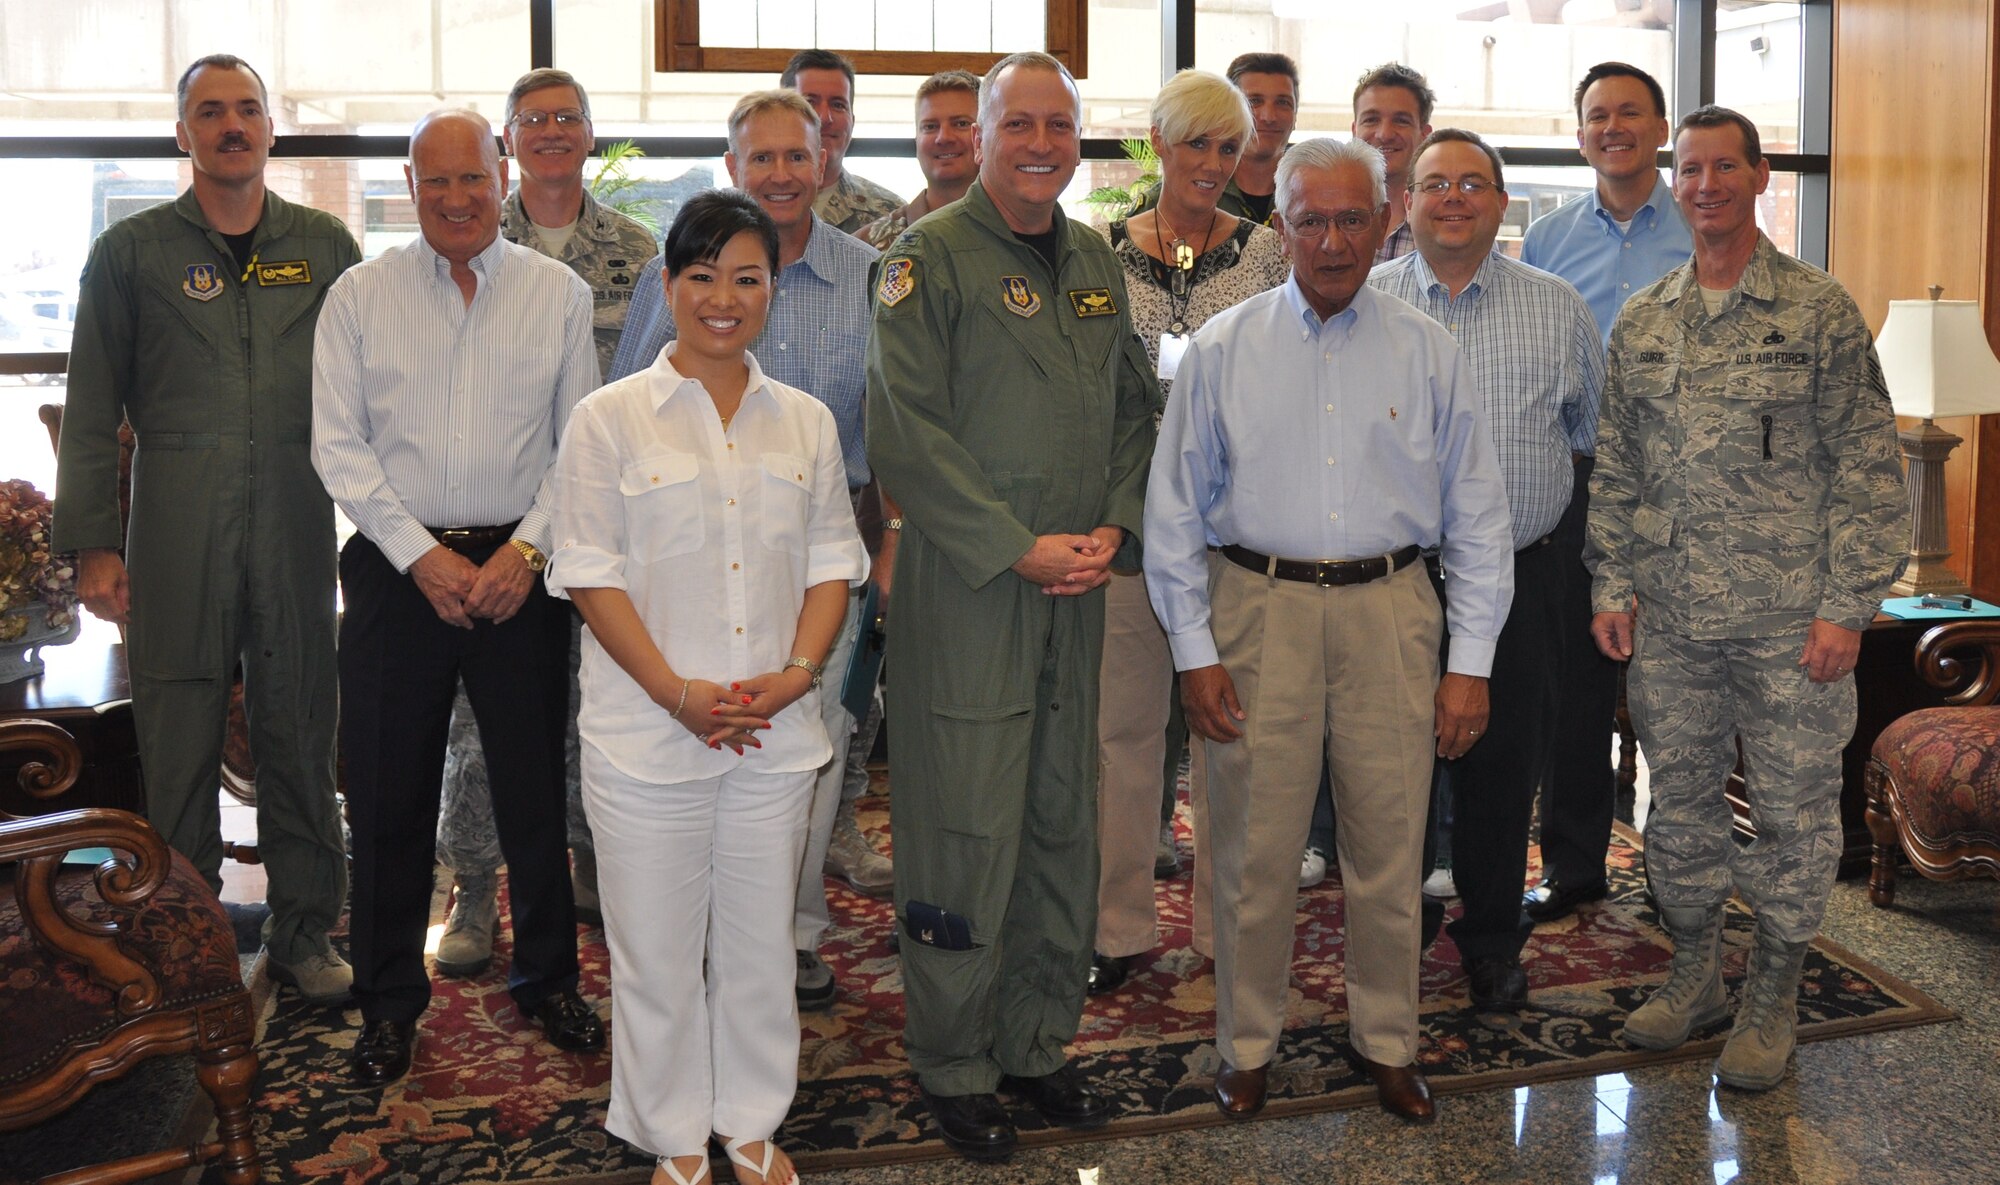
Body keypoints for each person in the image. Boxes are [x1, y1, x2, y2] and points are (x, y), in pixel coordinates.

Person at [1145, 136, 1513, 1124]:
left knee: (1388, 849)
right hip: (1255, 610)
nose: (1333, 238)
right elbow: (1172, 515)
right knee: (1254, 851)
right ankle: (1246, 1045)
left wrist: (1467, 664)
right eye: (1310, 218)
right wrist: (1194, 654)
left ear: (1385, 219)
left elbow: (1477, 513)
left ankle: (1386, 1044)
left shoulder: (1424, 348)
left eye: (1353, 217)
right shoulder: (1223, 348)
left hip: (1391, 612)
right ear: (1280, 228)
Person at [865, 51, 1158, 1162]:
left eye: (1059, 125)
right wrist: (1014, 547)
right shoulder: (922, 262)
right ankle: (952, 1063)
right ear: (978, 135)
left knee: (1054, 819)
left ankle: (1034, 1046)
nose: (1041, 143)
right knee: (961, 828)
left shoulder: (1092, 259)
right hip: (973, 589)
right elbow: (904, 431)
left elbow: (1136, 413)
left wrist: (1113, 531)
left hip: (1075, 588)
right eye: (1018, 124)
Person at [548, 188, 865, 1185]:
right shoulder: (607, 420)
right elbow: (588, 574)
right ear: (668, 284)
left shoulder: (804, 423)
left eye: (747, 277)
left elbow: (831, 565)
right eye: (701, 276)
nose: (723, 298)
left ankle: (751, 1120)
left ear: (773, 289)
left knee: (759, 941)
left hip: (775, 729)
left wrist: (795, 677)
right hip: (648, 736)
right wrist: (675, 693)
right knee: (653, 948)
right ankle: (673, 1132)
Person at [1587, 106, 1906, 1091]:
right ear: (1671, 183)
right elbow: (1616, 468)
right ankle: (1693, 976)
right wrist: (1609, 580)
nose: (1706, 184)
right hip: (1672, 624)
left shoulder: (1817, 312)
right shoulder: (1643, 320)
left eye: (1725, 166)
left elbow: (1866, 468)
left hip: (1787, 626)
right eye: (1690, 169)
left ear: (1759, 177)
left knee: (1792, 819)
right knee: (1675, 811)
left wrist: (1843, 606)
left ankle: (1770, 994)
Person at [312, 108, 605, 1088]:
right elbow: (338, 448)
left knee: (533, 792)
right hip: (399, 572)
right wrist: (420, 558)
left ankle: (547, 978)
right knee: (390, 798)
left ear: (502, 170)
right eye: (433, 181)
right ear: (409, 183)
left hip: (522, 566)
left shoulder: (556, 294)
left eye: (471, 178)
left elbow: (580, 447)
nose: (454, 198)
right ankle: (391, 999)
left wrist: (526, 551)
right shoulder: (359, 296)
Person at [55, 53, 356, 1000]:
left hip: (298, 516)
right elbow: (94, 399)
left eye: (248, 110)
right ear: (181, 134)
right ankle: (186, 942)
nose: (232, 126)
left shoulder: (327, 245)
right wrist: (96, 542)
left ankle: (307, 930)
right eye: (210, 112)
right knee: (177, 735)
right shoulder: (132, 252)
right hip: (175, 520)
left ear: (271, 130)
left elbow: (372, 388)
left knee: (300, 721)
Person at [611, 89, 888, 1008]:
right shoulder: (682, 268)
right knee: (696, 739)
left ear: (825, 162)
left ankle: (788, 935)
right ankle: (692, 938)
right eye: (758, 157)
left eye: (794, 155)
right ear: (733, 167)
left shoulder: (869, 275)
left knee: (810, 746)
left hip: (824, 554)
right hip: (687, 549)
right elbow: (626, 402)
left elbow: (893, 422)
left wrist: (891, 543)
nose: (778, 172)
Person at [431, 66, 662, 979]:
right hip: (503, 517)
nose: (553, 131)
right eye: (534, 120)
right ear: (506, 142)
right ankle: (474, 887)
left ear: (590, 134)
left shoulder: (639, 249)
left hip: (608, 518)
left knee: (592, 701)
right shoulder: (473, 236)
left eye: (569, 117)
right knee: (476, 720)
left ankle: (584, 860)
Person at [1370, 129, 1604, 1010]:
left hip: (1521, 575)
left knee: (1506, 766)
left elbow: (1591, 440)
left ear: (1504, 204)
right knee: (1388, 767)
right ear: (1408, 203)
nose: (1454, 198)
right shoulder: (1369, 302)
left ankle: (1493, 938)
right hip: (1391, 578)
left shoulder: (1558, 307)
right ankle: (1392, 933)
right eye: (1436, 184)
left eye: (1475, 183)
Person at [1091, 67, 1289, 997]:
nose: (1212, 163)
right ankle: (1118, 929)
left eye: (1228, 147)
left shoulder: (1269, 258)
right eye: (1195, 144)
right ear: (1158, 145)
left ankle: (1224, 934)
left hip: (1233, 537)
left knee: (1229, 742)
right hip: (1128, 530)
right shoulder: (1095, 255)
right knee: (1122, 737)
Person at [1519, 61, 1694, 925]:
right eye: (1597, 115)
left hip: (1692, 485)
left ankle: (1681, 871)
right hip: (1585, 485)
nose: (1613, 126)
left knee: (1681, 686)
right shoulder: (1547, 239)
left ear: (1660, 129)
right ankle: (1577, 864)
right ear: (1580, 131)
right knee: (1579, 684)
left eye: (1631, 113)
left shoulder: (1702, 225)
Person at [1129, 53, 1298, 227]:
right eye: (1254, 101)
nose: (1268, 116)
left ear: (1295, 117)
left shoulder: (1308, 195)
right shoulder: (1162, 203)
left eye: (1283, 103)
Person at [857, 70, 980, 250]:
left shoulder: (1021, 232)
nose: (943, 137)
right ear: (916, 139)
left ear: (984, 134)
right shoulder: (867, 247)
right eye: (930, 127)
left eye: (960, 123)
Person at [782, 49, 902, 233]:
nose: (824, 118)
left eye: (838, 105)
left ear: (852, 121)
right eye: (809, 102)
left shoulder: (889, 216)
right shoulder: (743, 209)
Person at [1351, 63, 1434, 263]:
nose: (1385, 134)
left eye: (1401, 121)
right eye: (1371, 119)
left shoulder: (1443, 224)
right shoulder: (1326, 218)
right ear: (1354, 131)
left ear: (1425, 135)